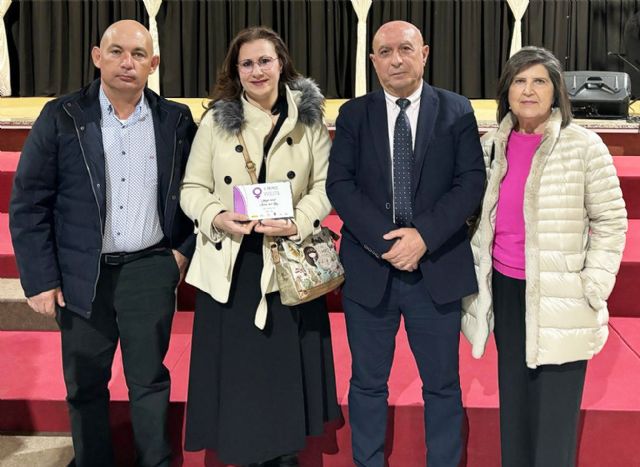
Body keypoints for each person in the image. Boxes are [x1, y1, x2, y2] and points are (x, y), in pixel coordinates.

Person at [9, 20, 196, 467]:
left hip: (150, 269)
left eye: (137, 54)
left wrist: (181, 252)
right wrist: (39, 279)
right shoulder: (63, 115)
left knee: (149, 379)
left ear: (153, 63)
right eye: (116, 52)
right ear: (97, 56)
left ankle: (155, 460)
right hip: (82, 274)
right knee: (85, 384)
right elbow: (29, 201)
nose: (126, 62)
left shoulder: (176, 120)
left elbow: (197, 192)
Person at [326, 20, 485, 467]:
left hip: (436, 269)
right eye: (385, 51)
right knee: (368, 383)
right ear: (372, 60)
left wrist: (423, 238)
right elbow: (340, 185)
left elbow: (470, 183)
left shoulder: (457, 111)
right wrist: (388, 243)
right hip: (370, 270)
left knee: (442, 384)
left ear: (424, 53)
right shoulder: (354, 114)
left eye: (405, 49)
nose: (396, 59)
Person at [179, 26, 340, 467]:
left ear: (281, 63)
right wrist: (217, 216)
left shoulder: (308, 120)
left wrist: (298, 221)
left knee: (283, 371)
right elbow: (192, 187)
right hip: (233, 260)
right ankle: (242, 452)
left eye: (265, 61)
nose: (257, 71)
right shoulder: (215, 121)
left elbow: (326, 186)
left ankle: (285, 454)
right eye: (246, 63)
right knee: (240, 375)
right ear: (235, 70)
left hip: (287, 259)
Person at [461, 46, 628, 467]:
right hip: (506, 289)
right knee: (514, 405)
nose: (529, 90)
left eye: (540, 81)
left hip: (563, 294)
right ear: (506, 90)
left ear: (557, 91)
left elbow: (611, 221)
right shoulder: (489, 147)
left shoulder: (584, 147)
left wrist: (593, 284)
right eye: (519, 81)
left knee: (554, 417)